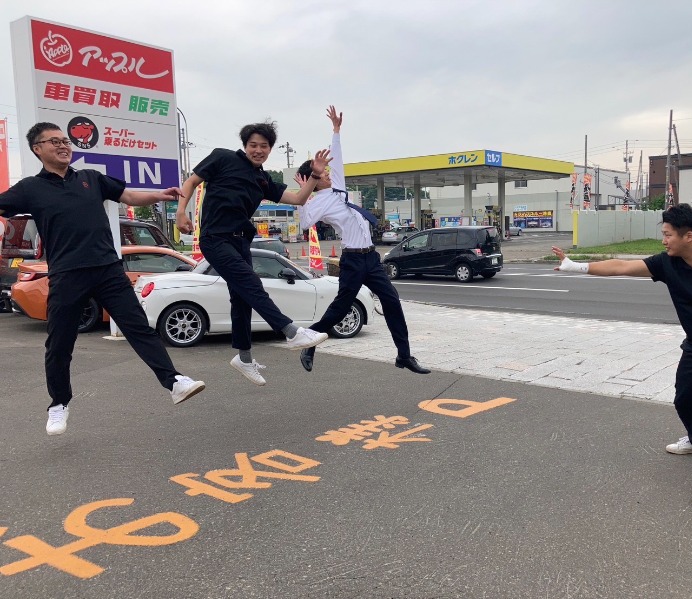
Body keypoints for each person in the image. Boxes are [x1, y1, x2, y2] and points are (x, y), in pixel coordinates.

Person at [552, 203, 692, 508]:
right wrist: (575, 266)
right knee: (683, 399)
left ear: (688, 236)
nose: (663, 240)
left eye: (668, 234)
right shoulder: (667, 263)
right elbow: (621, 267)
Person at [0, 122, 206, 436]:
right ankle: (59, 403)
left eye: (65, 140)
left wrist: (160, 195)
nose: (63, 145)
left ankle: (174, 382)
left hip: (108, 268)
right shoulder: (30, 188)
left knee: (138, 327)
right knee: (59, 343)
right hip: (67, 274)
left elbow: (128, 195)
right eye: (54, 141)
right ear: (37, 149)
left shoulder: (90, 178)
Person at [176, 120, 332, 386]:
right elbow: (191, 181)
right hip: (215, 238)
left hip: (241, 242)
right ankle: (291, 331)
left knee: (242, 299)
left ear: (270, 149)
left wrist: (315, 176)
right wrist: (181, 212)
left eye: (264, 146)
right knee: (252, 284)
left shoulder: (262, 179)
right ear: (245, 145)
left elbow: (298, 199)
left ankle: (244, 359)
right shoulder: (223, 158)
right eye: (253, 145)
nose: (258, 150)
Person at [293, 106, 430, 375]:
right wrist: (303, 195)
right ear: (313, 180)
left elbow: (338, 160)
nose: (328, 172)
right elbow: (305, 223)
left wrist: (336, 131)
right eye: (321, 172)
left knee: (392, 300)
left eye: (327, 170)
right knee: (341, 307)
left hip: (371, 258)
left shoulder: (338, 187)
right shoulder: (318, 202)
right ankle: (310, 341)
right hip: (353, 260)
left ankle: (404, 355)